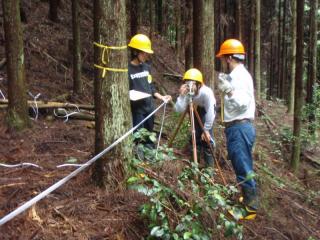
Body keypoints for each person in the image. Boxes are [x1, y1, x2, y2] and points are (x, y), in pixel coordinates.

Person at [216, 39, 258, 218]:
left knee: (242, 165)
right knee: (243, 163)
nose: (223, 61)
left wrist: (229, 91)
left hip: (240, 128)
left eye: (224, 58)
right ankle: (248, 198)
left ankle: (250, 208)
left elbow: (242, 103)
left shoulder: (240, 77)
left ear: (229, 58)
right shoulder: (237, 75)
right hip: (238, 127)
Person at [128, 34, 172, 136]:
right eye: (144, 53)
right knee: (139, 139)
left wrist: (161, 97)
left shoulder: (147, 67)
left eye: (147, 53)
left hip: (149, 108)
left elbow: (150, 87)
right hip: (137, 111)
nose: (146, 56)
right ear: (136, 52)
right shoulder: (128, 70)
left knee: (149, 138)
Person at [175, 68, 216, 167]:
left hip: (205, 114)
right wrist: (181, 96)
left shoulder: (206, 92)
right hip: (194, 113)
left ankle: (209, 170)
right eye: (188, 84)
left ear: (199, 84)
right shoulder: (187, 93)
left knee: (207, 141)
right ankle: (194, 165)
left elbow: (211, 111)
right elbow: (178, 110)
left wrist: (206, 129)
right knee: (195, 139)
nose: (190, 87)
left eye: (193, 84)